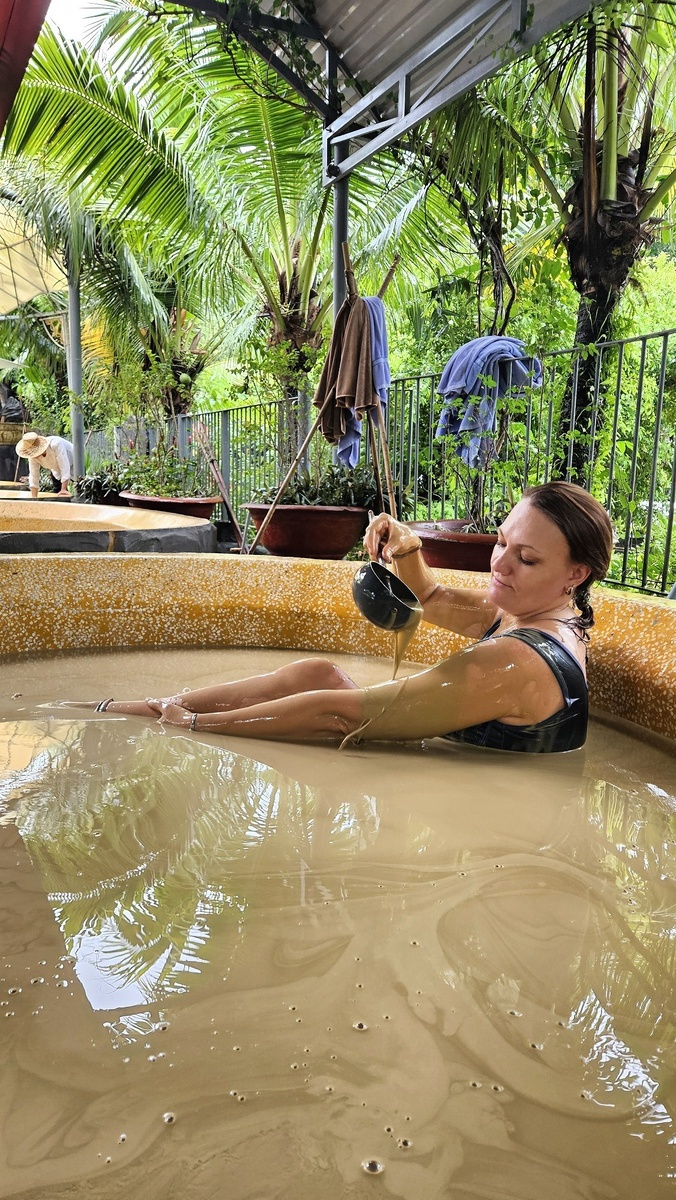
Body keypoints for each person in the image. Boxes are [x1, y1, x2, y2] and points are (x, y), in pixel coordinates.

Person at [83, 481, 614, 754]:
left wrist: (196, 728)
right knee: (316, 671)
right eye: (500, 542)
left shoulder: (520, 660)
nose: (499, 564)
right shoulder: (529, 613)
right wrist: (404, 542)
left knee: (327, 702)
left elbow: (353, 717)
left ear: (576, 573)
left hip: (459, 790)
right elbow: (428, 597)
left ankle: (169, 715)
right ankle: (147, 705)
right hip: (430, 748)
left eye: (526, 559)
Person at [16, 431, 74, 498]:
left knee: (78, 490)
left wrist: (63, 489)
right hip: (55, 469)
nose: (35, 456)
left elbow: (64, 466)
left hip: (74, 463)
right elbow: (34, 475)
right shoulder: (32, 457)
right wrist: (34, 497)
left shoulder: (56, 444)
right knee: (57, 493)